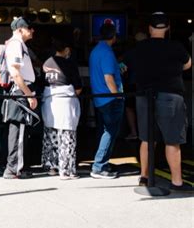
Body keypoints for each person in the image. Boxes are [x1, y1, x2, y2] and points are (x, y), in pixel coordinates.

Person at [135, 12, 192, 192]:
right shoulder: (176, 47)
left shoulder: (139, 47)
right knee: (172, 140)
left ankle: (144, 177)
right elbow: (188, 64)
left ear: (149, 28)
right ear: (167, 28)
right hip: (170, 96)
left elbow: (126, 65)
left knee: (146, 139)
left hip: (144, 96)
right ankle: (176, 181)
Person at [41, 39, 83, 180]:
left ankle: (51, 166)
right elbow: (78, 88)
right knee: (67, 137)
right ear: (65, 49)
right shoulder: (69, 64)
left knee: (51, 135)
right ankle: (66, 170)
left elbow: (42, 83)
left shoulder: (46, 63)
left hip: (49, 102)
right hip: (65, 103)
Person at [2, 17, 37, 180]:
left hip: (19, 92)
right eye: (29, 28)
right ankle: (13, 169)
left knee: (19, 131)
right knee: (18, 132)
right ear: (20, 29)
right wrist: (29, 94)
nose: (32, 31)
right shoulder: (16, 44)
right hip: (20, 92)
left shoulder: (17, 44)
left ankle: (17, 167)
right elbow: (15, 73)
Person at [89, 22, 124, 179]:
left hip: (99, 97)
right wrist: (117, 95)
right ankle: (99, 166)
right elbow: (109, 78)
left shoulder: (95, 51)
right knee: (110, 132)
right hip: (110, 99)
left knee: (104, 131)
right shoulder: (107, 53)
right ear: (114, 37)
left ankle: (101, 162)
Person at [121, 31, 147, 140]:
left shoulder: (129, 53)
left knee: (129, 109)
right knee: (146, 109)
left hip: (131, 84)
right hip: (146, 84)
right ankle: (145, 133)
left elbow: (122, 69)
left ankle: (134, 132)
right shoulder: (150, 52)